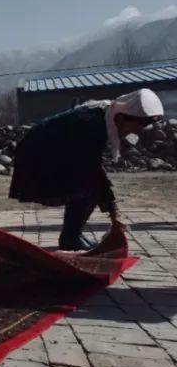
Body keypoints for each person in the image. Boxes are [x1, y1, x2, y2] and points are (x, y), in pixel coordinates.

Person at [9, 88, 164, 251]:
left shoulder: (103, 116)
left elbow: (92, 164)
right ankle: (71, 238)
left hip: (52, 152)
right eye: (133, 128)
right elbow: (91, 167)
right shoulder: (92, 123)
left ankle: (74, 235)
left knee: (93, 185)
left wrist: (111, 207)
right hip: (37, 155)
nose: (131, 133)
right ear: (121, 118)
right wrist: (112, 209)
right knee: (88, 187)